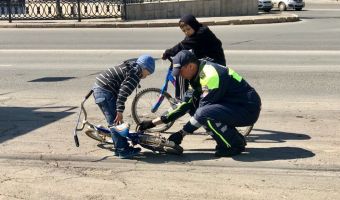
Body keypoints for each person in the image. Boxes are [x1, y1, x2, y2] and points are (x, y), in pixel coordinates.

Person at [139, 50, 261, 157]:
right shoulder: (197, 73)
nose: (180, 75)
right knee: (195, 109)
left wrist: (181, 134)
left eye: (180, 71)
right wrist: (152, 123)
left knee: (204, 114)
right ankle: (235, 138)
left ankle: (233, 145)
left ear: (190, 66)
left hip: (247, 108)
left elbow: (202, 113)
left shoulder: (210, 76)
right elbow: (184, 105)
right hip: (233, 105)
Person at [93, 55, 155, 159]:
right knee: (116, 122)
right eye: (148, 72)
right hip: (104, 91)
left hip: (100, 87)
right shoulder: (135, 76)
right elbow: (122, 93)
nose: (147, 75)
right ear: (144, 68)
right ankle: (123, 151)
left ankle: (120, 148)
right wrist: (120, 111)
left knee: (116, 122)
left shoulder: (131, 66)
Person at [162, 14, 227, 100]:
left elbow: (182, 46)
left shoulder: (202, 32)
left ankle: (181, 99)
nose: (186, 32)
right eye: (184, 30)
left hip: (215, 64)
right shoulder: (194, 34)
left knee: (181, 72)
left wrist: (168, 52)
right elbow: (186, 48)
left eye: (188, 29)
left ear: (193, 24)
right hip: (207, 62)